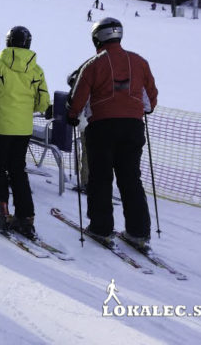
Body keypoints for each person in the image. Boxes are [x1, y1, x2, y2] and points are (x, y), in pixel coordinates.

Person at [66, 17, 158, 246]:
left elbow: (78, 99)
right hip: (133, 127)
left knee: (100, 178)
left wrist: (71, 116)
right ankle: (138, 232)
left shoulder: (93, 64)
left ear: (97, 38)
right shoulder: (139, 62)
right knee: (130, 178)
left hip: (102, 127)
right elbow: (150, 102)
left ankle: (101, 227)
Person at [0, 26, 50, 238]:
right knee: (18, 170)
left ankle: (1, 211)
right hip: (22, 129)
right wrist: (23, 109)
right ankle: (26, 216)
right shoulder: (36, 69)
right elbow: (43, 103)